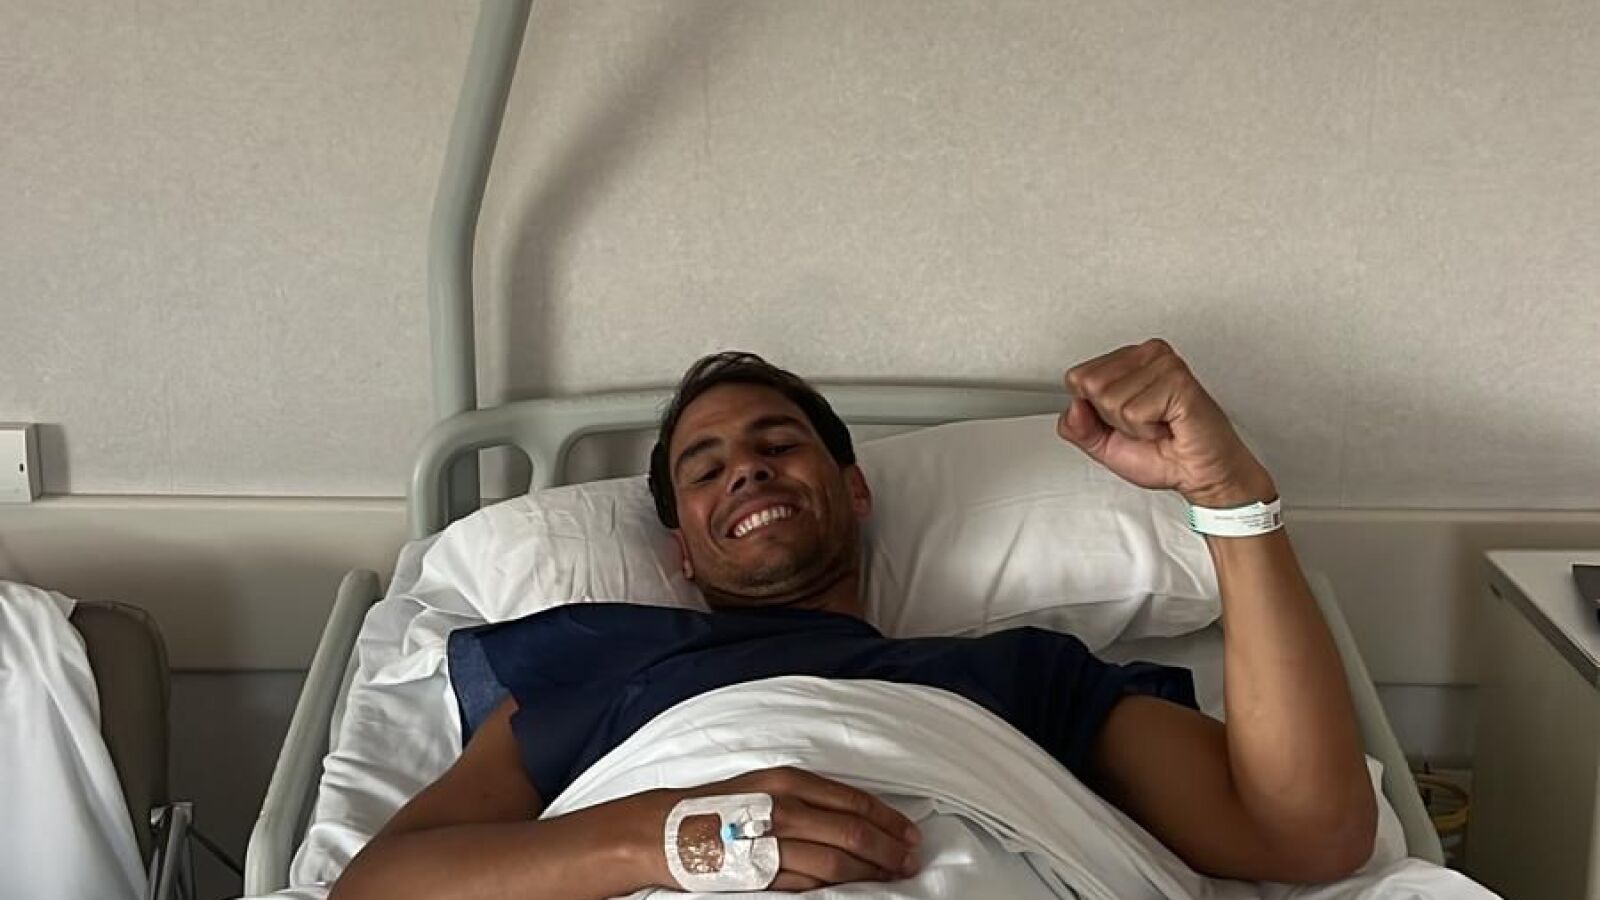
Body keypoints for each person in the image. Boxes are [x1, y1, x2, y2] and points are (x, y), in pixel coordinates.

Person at [332, 339, 1377, 899]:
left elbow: (1308, 834)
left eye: (778, 444)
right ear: (682, 549)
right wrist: (676, 838)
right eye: (706, 468)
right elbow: (378, 890)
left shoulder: (1022, 674)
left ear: (855, 489)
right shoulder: (603, 664)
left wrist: (1230, 496)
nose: (747, 468)